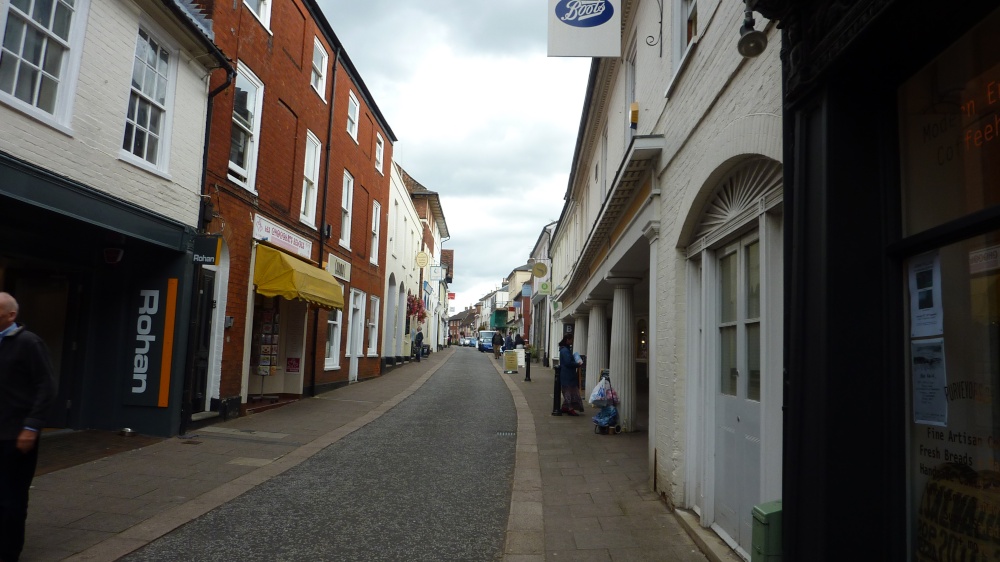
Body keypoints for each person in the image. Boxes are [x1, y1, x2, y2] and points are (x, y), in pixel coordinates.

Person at [0, 292, 57, 562]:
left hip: (15, 435)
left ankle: (8, 552)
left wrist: (31, 427)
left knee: (11, 498)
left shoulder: (28, 343)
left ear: (11, 315)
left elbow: (46, 387)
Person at [558, 333, 584, 415]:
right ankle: (570, 408)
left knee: (570, 391)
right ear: (567, 340)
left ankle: (565, 407)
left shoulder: (565, 349)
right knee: (569, 391)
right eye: (571, 339)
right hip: (567, 374)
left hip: (568, 374)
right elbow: (568, 362)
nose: (572, 341)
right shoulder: (565, 350)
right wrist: (577, 364)